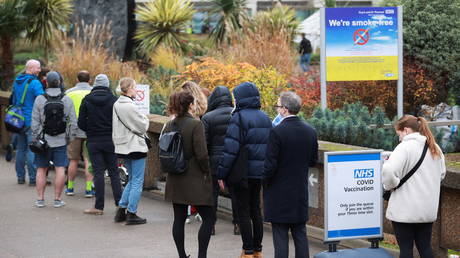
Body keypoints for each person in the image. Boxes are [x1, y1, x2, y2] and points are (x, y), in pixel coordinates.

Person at [217, 82, 272, 258]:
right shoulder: (265, 118)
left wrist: (221, 174)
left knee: (243, 212)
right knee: (256, 210)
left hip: (242, 174)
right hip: (260, 173)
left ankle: (247, 251)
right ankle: (258, 250)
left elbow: (230, 149)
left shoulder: (238, 118)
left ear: (241, 98)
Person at [263, 91, 318, 258]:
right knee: (300, 235)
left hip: (278, 193)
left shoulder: (277, 132)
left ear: (285, 109)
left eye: (278, 106)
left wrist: (264, 182)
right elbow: (312, 161)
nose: (277, 109)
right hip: (299, 191)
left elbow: (270, 165)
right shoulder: (310, 131)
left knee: (280, 237)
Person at [382, 115, 446, 258]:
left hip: (404, 210)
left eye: (399, 134)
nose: (399, 138)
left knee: (406, 250)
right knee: (425, 248)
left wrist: (391, 185)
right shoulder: (434, 147)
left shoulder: (404, 147)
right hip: (426, 210)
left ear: (405, 130)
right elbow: (442, 174)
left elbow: (388, 170)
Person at [163, 91, 214, 258]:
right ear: (190, 105)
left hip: (175, 178)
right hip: (194, 179)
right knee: (208, 218)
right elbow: (202, 154)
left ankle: (182, 255)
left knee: (178, 219)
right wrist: (207, 170)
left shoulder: (169, 125)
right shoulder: (195, 125)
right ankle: (202, 255)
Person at [31, 71, 78, 208]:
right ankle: (57, 199)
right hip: (61, 140)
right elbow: (72, 122)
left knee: (41, 169)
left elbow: (35, 121)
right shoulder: (66, 99)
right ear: (60, 82)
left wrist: (39, 136)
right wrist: (69, 137)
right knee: (60, 169)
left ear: (46, 82)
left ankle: (40, 199)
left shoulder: (40, 99)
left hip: (43, 141)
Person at [78, 74, 122, 215]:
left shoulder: (87, 100)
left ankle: (98, 207)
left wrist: (91, 130)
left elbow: (81, 123)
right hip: (110, 140)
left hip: (94, 141)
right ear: (107, 84)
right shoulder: (114, 100)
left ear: (95, 84)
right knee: (114, 172)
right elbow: (119, 120)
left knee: (98, 173)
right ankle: (119, 204)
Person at [202, 86, 240, 236]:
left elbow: (204, 144)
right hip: (233, 159)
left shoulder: (208, 117)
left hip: (214, 160)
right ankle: (238, 223)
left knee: (212, 194)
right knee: (236, 193)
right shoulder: (236, 115)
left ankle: (210, 225)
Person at [113, 77, 150, 225]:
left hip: (123, 146)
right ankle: (132, 212)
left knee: (132, 179)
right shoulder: (130, 106)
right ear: (128, 89)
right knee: (137, 181)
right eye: (134, 88)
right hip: (135, 146)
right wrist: (145, 119)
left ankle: (121, 209)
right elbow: (142, 126)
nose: (136, 90)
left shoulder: (117, 104)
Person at [11, 59, 44, 185]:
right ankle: (33, 178)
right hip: (31, 121)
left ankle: (20, 177)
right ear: (31, 68)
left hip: (18, 120)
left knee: (20, 149)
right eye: (38, 68)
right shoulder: (35, 83)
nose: (40, 70)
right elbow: (41, 101)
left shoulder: (17, 80)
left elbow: (13, 99)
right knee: (32, 150)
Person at [64, 70, 94, 197]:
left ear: (77, 79)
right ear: (89, 80)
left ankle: (70, 188)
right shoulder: (93, 92)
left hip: (73, 131)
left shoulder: (68, 93)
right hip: (89, 130)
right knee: (89, 160)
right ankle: (88, 189)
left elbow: (64, 113)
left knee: (73, 160)